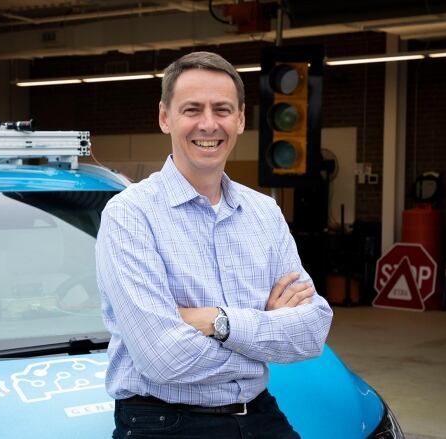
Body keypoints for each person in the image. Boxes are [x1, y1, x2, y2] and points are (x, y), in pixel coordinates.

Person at [95, 51, 333, 439]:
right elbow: (163, 357)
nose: (208, 124)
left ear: (240, 119)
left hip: (259, 414)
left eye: (222, 109)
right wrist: (265, 334)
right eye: (192, 109)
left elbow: (311, 332)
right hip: (164, 423)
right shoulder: (130, 215)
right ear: (164, 117)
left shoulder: (264, 213)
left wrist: (217, 322)